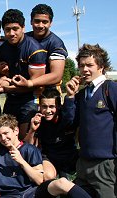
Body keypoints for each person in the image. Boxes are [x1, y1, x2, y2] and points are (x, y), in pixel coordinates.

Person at [0, 114, 91, 198]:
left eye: (6, 133)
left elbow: (39, 180)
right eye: (0, 135)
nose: (3, 138)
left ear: (16, 131)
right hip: (9, 195)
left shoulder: (29, 149)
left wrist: (22, 162)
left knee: (62, 182)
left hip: (31, 192)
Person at [65, 43, 117, 197]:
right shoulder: (81, 95)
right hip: (84, 162)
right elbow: (70, 123)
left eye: (89, 65)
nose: (84, 70)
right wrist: (70, 97)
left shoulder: (110, 89)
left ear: (101, 67)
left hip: (106, 163)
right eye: (81, 66)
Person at [0, 9, 47, 138]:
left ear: (23, 28)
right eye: (7, 30)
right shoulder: (3, 48)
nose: (11, 33)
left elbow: (34, 85)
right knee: (5, 135)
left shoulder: (35, 50)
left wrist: (4, 88)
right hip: (11, 98)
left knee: (24, 139)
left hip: (30, 99)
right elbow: (5, 76)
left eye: (15, 29)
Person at [11, 4, 68, 92]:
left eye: (45, 22)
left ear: (51, 23)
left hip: (49, 95)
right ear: (31, 21)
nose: (40, 25)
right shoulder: (24, 38)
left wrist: (30, 83)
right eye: (37, 21)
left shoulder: (56, 44)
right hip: (25, 93)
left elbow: (56, 75)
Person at [24, 88, 78, 180]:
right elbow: (27, 146)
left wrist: (70, 96)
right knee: (47, 176)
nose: (48, 111)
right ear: (39, 106)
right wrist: (32, 130)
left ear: (59, 106)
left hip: (69, 155)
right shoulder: (37, 119)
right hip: (49, 156)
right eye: (44, 107)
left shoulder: (67, 117)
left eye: (52, 106)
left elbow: (71, 118)